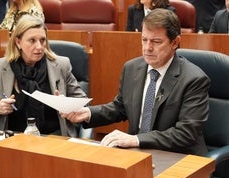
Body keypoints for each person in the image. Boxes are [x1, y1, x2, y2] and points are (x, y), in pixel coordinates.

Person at [62, 8, 210, 156]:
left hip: (177, 157)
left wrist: (136, 139)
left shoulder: (194, 79)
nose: (147, 48)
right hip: (137, 153)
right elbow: (120, 107)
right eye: (144, 40)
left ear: (175, 42)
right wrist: (87, 113)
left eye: (156, 42)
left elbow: (185, 134)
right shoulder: (132, 68)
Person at [0, 15, 87, 137]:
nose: (39, 47)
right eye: (32, 40)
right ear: (18, 42)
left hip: (54, 138)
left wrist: (66, 104)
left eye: (42, 40)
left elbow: (84, 104)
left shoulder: (61, 65)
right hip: (14, 138)